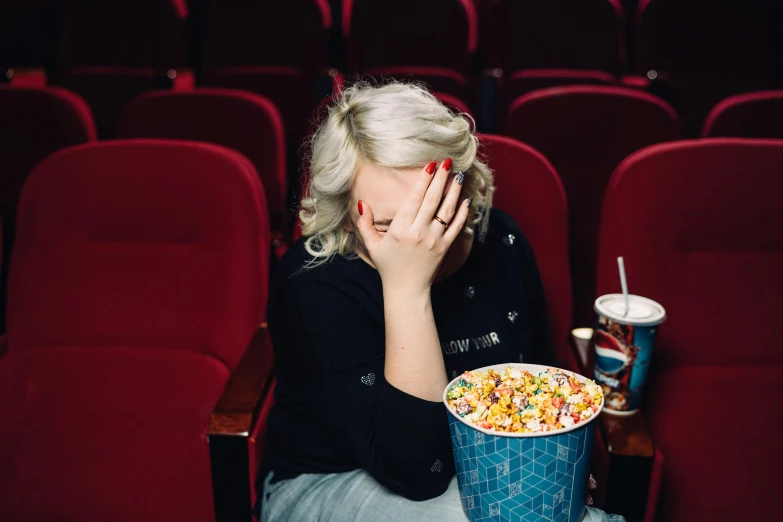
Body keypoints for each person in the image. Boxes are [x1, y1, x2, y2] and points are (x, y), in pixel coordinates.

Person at [258, 82, 624, 522]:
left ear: (462, 188)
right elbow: (416, 472)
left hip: (487, 470)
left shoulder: (503, 242)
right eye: (390, 224)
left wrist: (552, 460)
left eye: (433, 211)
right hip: (327, 480)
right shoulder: (314, 281)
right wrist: (407, 288)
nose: (416, 238)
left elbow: (534, 389)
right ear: (349, 213)